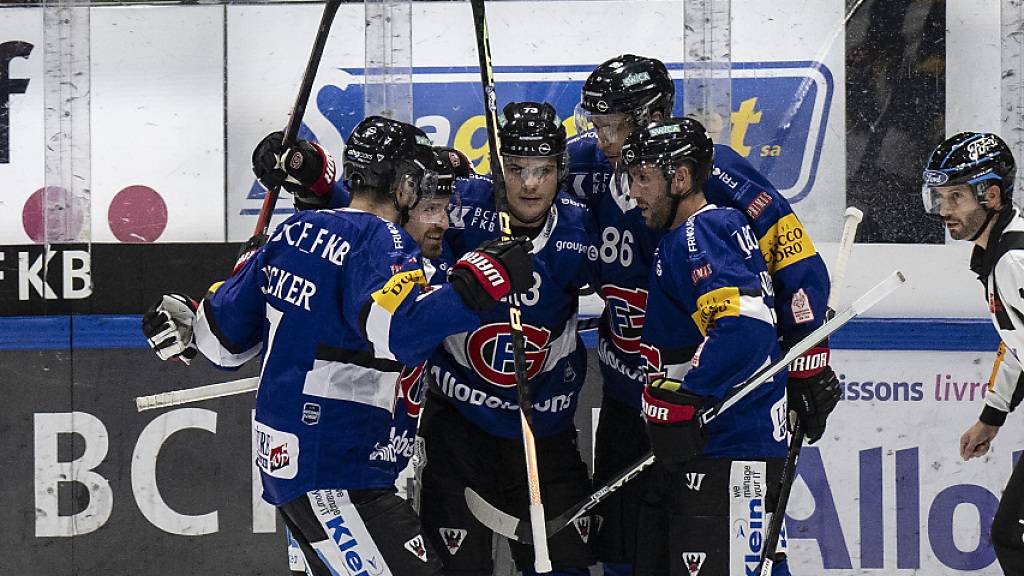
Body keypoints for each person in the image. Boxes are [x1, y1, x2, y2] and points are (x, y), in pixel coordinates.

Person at [141, 116, 534, 576]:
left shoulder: (289, 233)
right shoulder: (381, 240)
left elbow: (219, 344)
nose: (441, 219)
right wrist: (478, 284)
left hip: (289, 464)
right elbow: (398, 334)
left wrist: (191, 311)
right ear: (404, 184)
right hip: (336, 472)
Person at [567, 54, 837, 576]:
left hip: (710, 403)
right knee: (633, 550)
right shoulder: (587, 163)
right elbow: (518, 182)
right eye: (595, 124)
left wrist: (809, 360)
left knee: (726, 546)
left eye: (613, 126)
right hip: (636, 394)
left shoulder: (715, 178)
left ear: (650, 117)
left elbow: (793, 261)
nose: (602, 140)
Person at [416, 101, 596, 576]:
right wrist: (316, 184)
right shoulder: (459, 205)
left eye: (542, 169)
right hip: (458, 431)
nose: (530, 184)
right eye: (516, 168)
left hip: (544, 434)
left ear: (562, 169)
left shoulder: (583, 226)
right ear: (499, 168)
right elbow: (383, 210)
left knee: (565, 568)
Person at [621, 117, 790, 576]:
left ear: (680, 177)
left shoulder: (702, 231)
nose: (633, 192)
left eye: (643, 178)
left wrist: (688, 396)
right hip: (716, 451)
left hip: (733, 451)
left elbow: (742, 328)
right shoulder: (686, 236)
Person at [922, 131, 1024, 575]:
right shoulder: (999, 253)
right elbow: (1018, 346)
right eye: (939, 197)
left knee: (1012, 533)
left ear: (993, 195)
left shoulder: (1013, 260)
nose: (944, 211)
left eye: (956, 197)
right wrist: (992, 416)